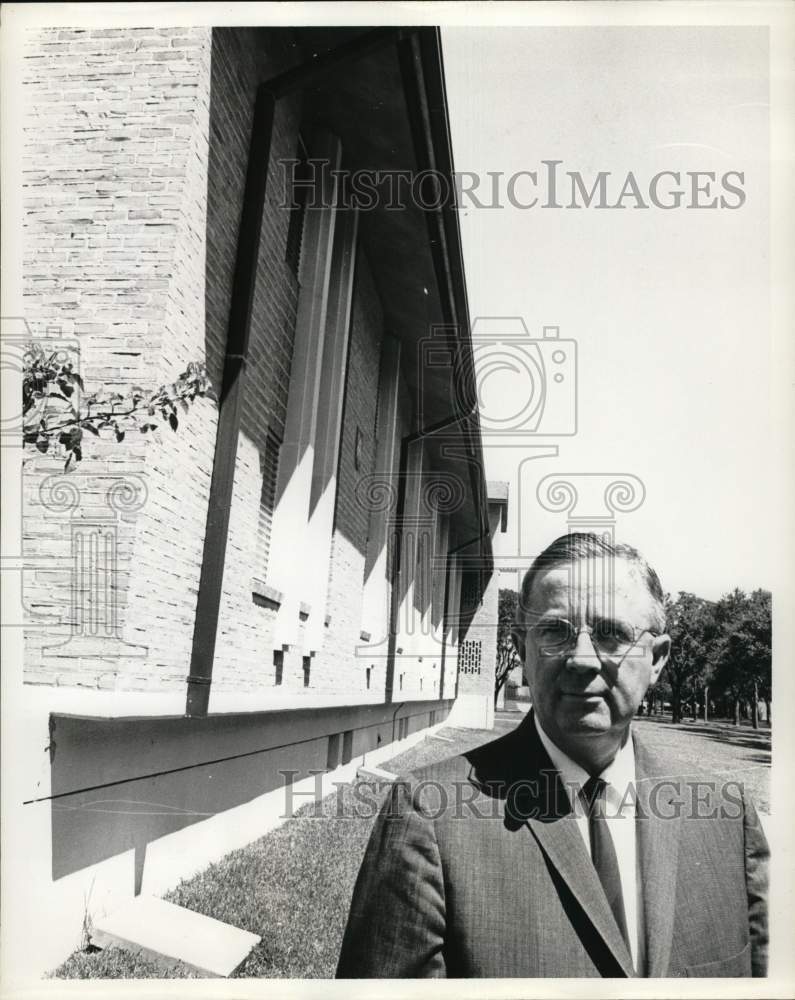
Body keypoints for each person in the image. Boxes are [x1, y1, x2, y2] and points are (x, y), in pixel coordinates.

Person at [336, 532, 768, 978]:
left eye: (611, 634)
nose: (582, 659)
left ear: (657, 659)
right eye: (555, 632)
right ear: (521, 647)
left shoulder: (728, 816)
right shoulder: (428, 815)